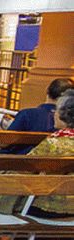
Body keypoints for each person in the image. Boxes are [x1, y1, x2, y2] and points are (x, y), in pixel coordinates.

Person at [23, 90, 74, 218]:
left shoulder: (54, 142)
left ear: (64, 115)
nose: (54, 114)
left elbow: (26, 166)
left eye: (56, 110)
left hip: (48, 208)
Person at [2, 77, 74, 154]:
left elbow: (4, 143)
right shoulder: (67, 130)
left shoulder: (27, 114)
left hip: (18, 161)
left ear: (47, 90)